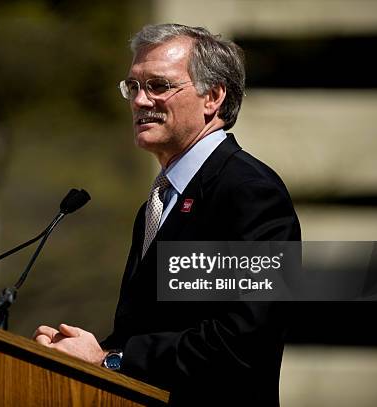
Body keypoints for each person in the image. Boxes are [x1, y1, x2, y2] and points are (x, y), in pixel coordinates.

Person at [34, 23, 301, 405]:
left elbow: (243, 340)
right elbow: (151, 329)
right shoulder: (157, 205)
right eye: (133, 87)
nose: (140, 101)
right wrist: (78, 353)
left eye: (158, 86)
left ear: (213, 96)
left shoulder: (249, 193)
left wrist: (110, 360)